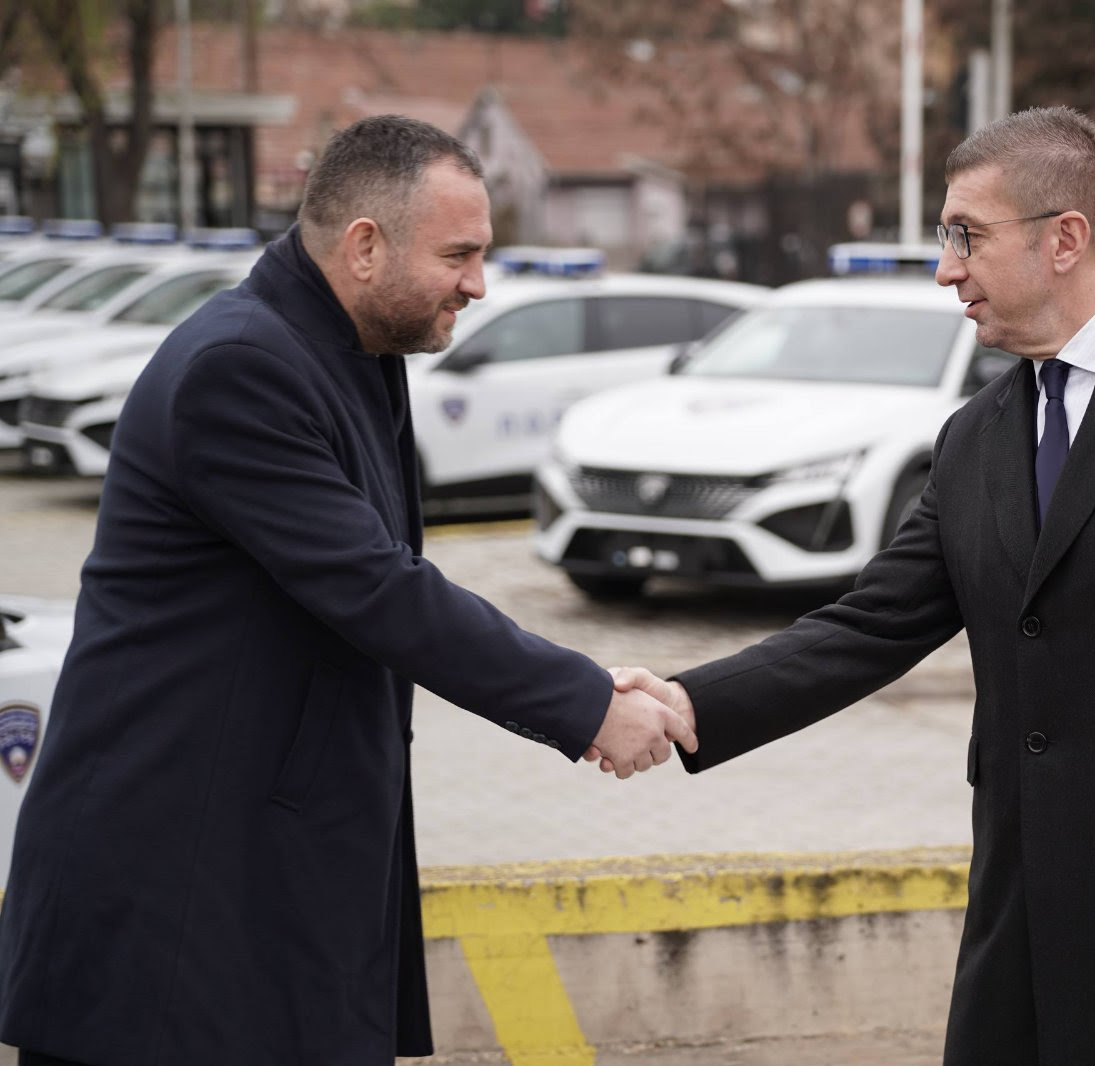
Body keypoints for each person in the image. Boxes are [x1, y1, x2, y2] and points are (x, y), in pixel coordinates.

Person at [609, 106, 1095, 1064]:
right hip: (1030, 927)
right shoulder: (973, 436)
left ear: (1065, 239)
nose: (947, 270)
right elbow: (872, 624)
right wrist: (691, 703)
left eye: (966, 237)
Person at [0, 115, 693, 1066]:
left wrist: (584, 688)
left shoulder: (348, 353)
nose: (478, 284)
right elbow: (379, 589)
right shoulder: (239, 368)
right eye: (458, 254)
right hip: (174, 907)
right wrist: (583, 703)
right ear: (365, 246)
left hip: (260, 882)